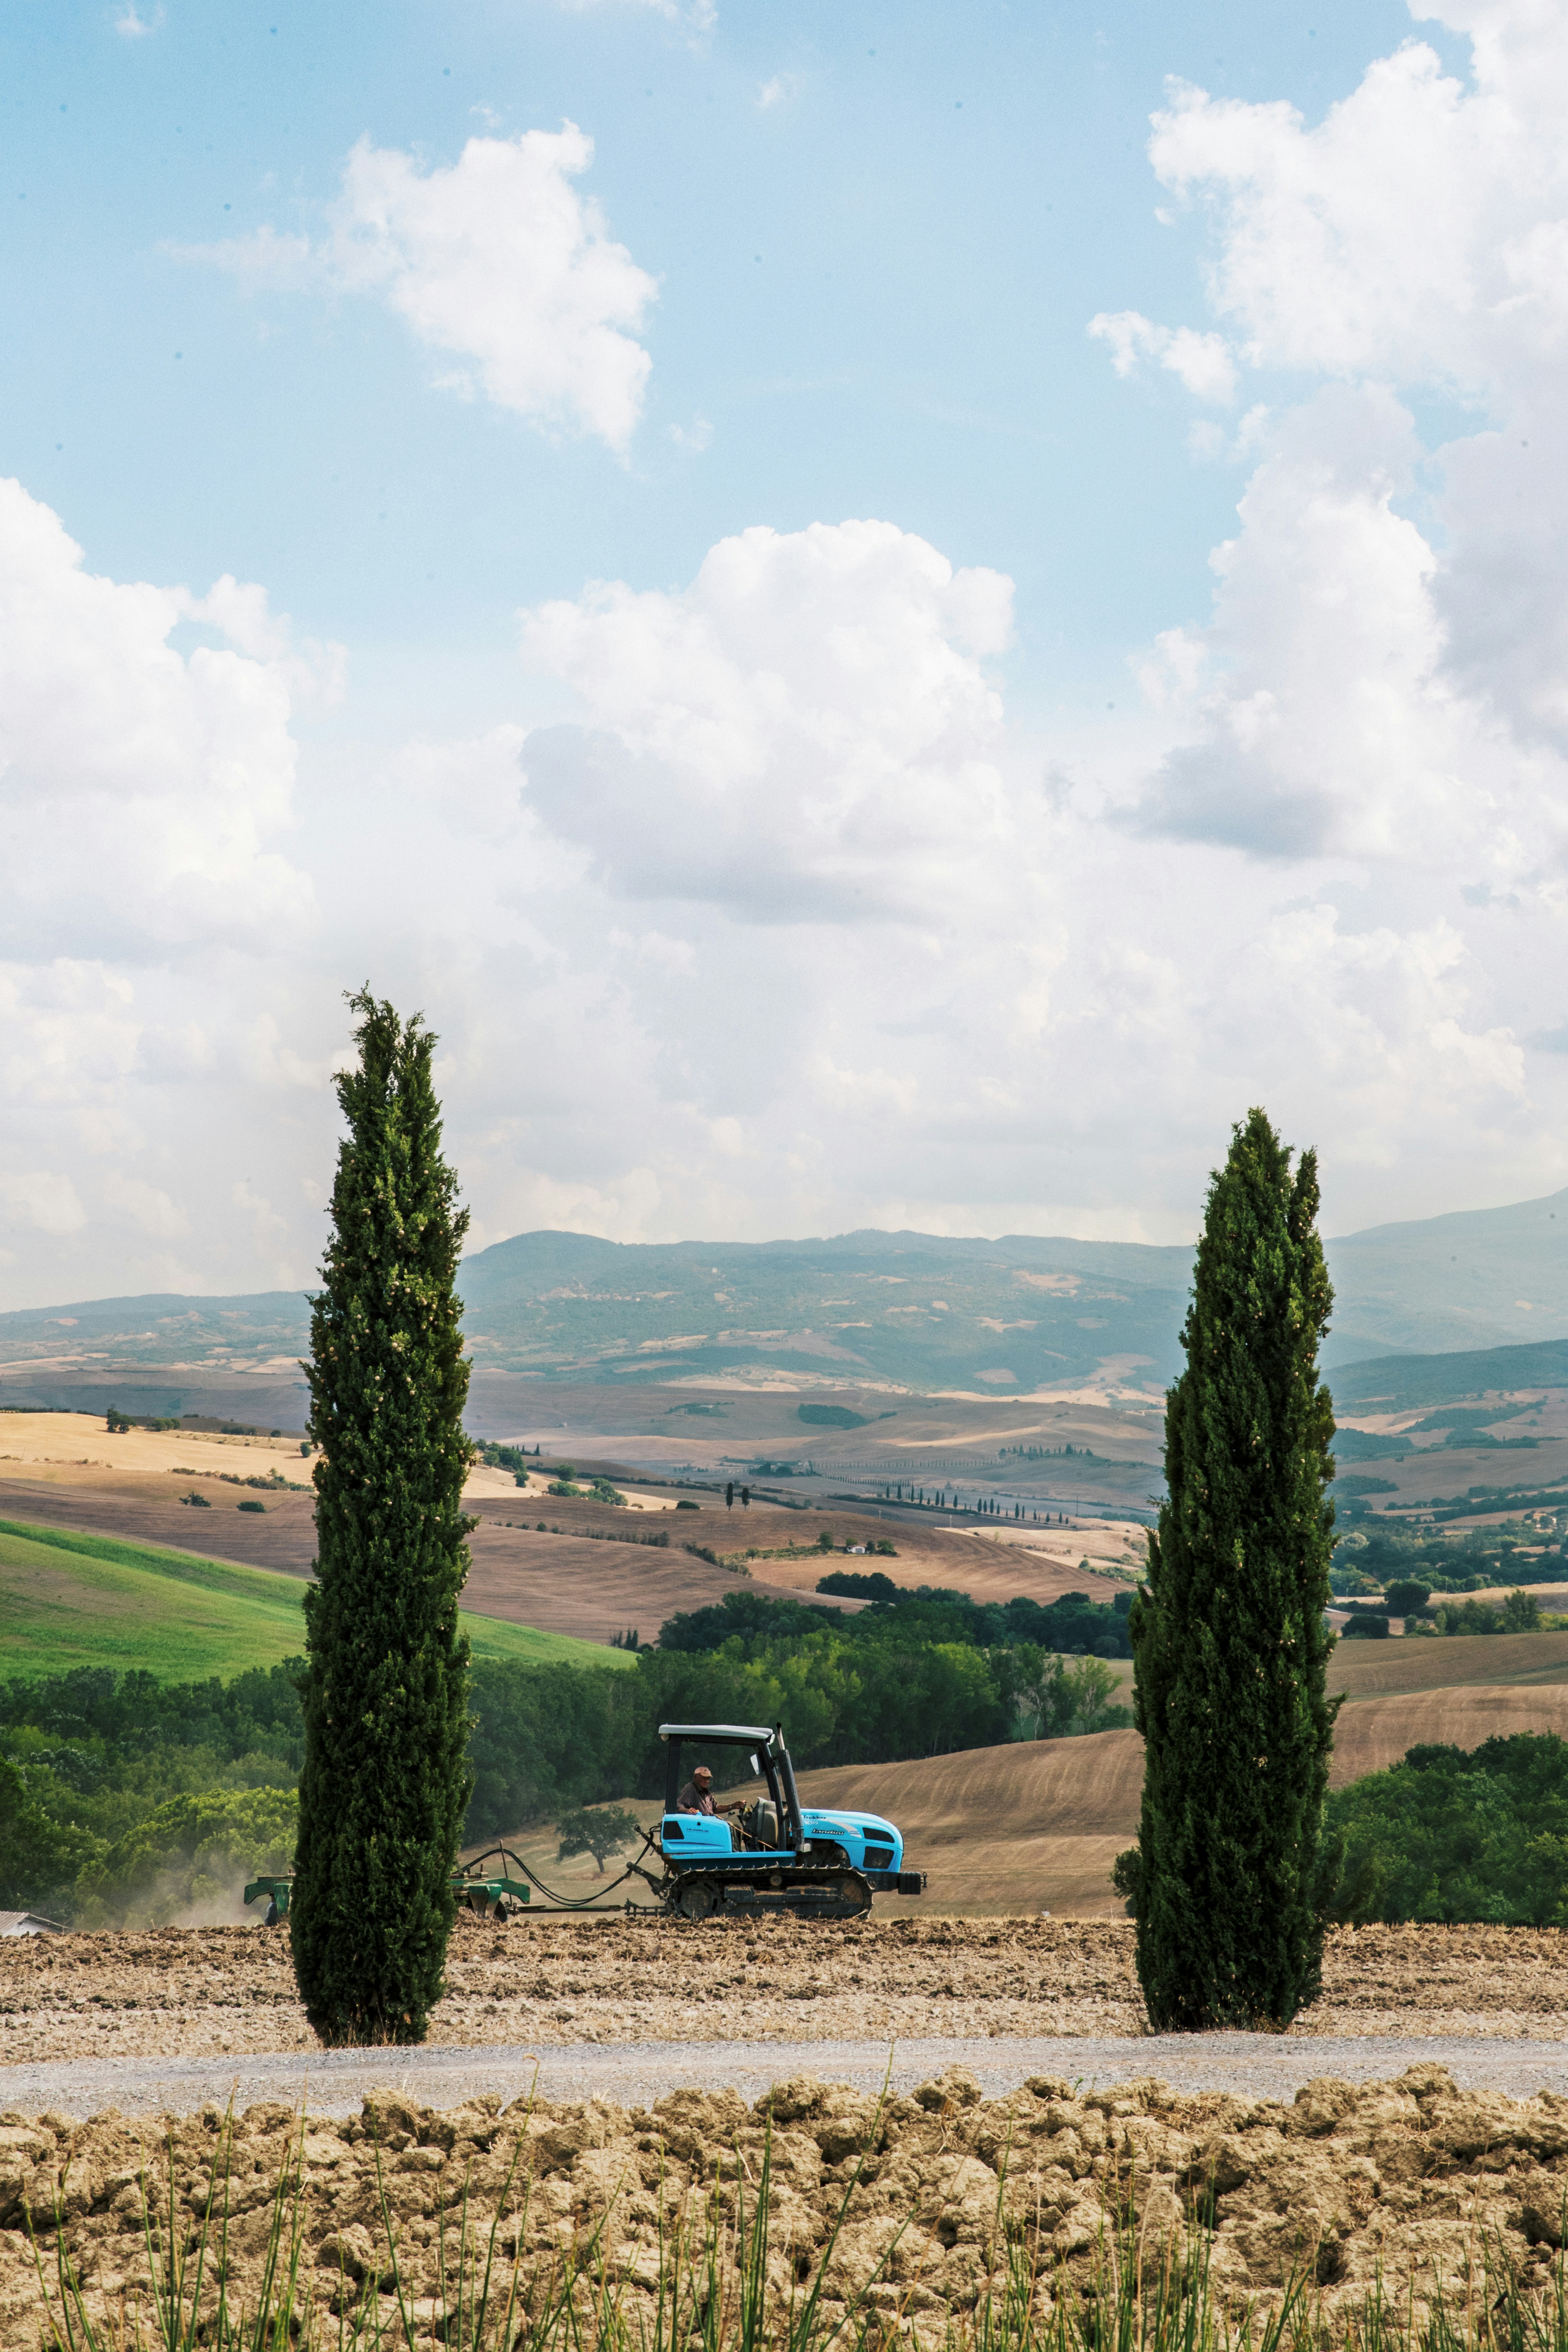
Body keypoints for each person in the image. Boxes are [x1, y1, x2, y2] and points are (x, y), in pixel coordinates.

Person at [677, 1761, 741, 1816]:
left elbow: (716, 1809)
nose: (707, 1781)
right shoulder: (690, 1788)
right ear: (695, 1777)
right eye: (704, 1778)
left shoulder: (706, 1792)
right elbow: (678, 1806)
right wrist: (687, 1811)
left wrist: (733, 1806)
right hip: (698, 1827)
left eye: (708, 1779)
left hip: (708, 1824)